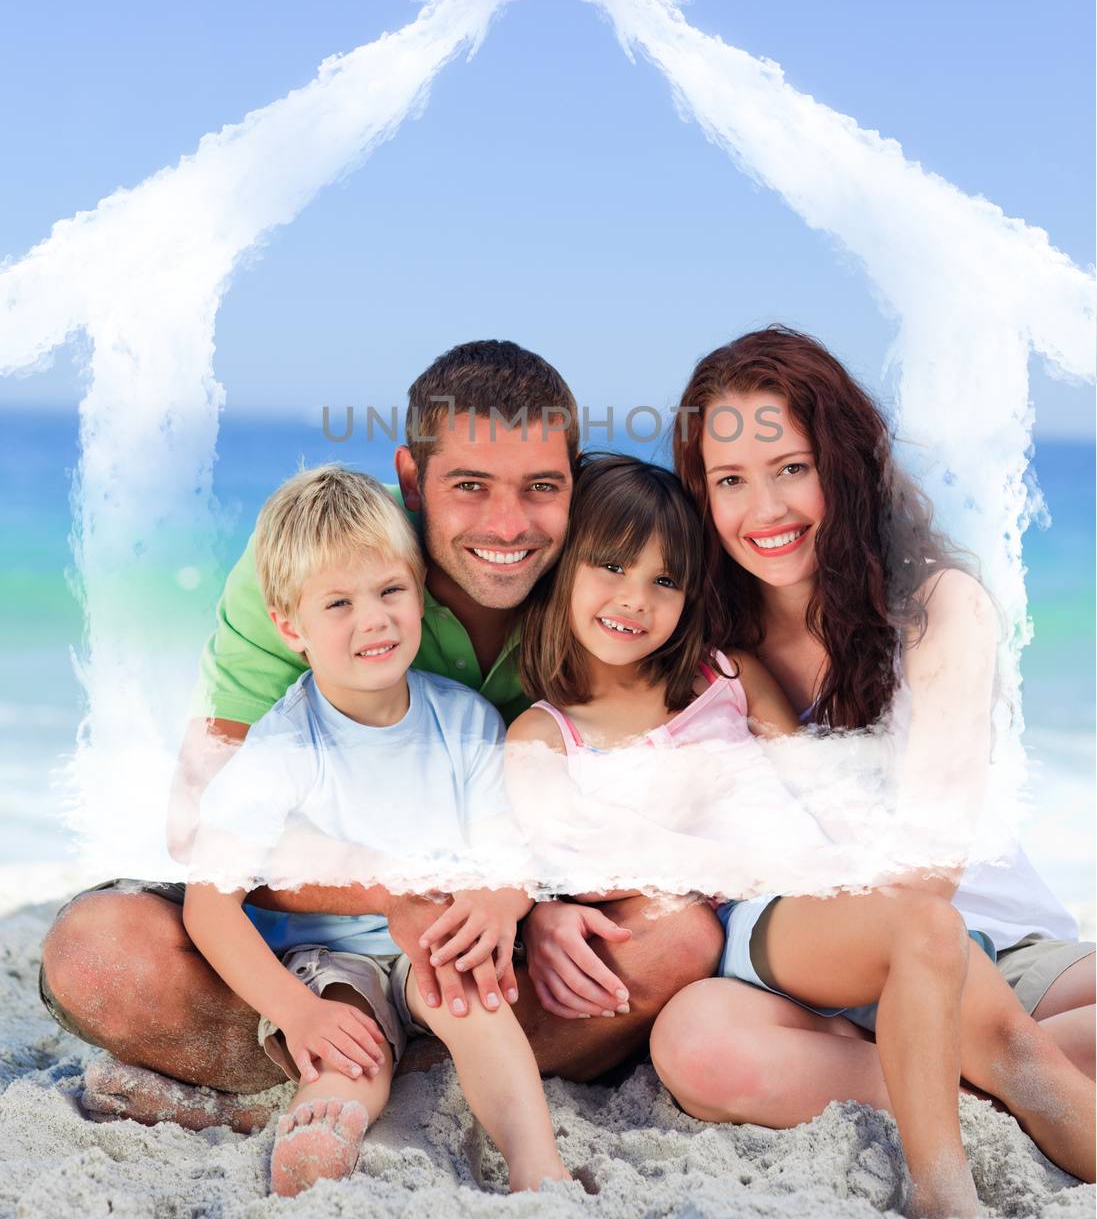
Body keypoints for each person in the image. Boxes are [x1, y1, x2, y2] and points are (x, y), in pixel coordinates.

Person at [40, 340, 723, 1130]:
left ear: (572, 485)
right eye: (469, 486)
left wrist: (530, 901)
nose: (508, 524)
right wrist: (394, 888)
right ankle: (346, 1064)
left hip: (487, 934)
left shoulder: (603, 588)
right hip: (318, 934)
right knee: (96, 952)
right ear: (411, 478)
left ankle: (339, 1088)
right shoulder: (321, 577)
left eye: (541, 488)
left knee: (675, 939)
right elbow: (198, 827)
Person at [506, 453, 1094, 1217]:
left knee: (1023, 1056)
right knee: (922, 930)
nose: (634, 599)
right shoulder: (546, 737)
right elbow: (582, 854)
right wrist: (730, 853)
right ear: (562, 569)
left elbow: (816, 784)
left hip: (844, 899)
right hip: (761, 915)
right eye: (610, 566)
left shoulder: (724, 672)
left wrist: (861, 861)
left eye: (665, 580)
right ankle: (944, 1195)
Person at [648, 326, 1096, 1150]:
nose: (765, 510)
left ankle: (975, 1076)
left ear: (843, 466)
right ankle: (1006, 1081)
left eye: (791, 468)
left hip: (986, 948)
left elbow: (927, 873)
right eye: (730, 480)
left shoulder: (936, 608)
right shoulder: (699, 638)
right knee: (696, 1046)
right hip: (803, 974)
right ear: (700, 496)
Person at [184, 464, 567, 1196]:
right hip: (336, 959)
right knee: (345, 1042)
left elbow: (505, 855)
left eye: (390, 591)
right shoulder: (282, 747)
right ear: (290, 625)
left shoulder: (463, 721)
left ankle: (535, 1169)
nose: (374, 619)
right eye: (338, 603)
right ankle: (323, 1137)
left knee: (471, 995)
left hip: (437, 940)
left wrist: (497, 903)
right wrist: (295, 1011)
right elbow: (209, 904)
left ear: (418, 591)